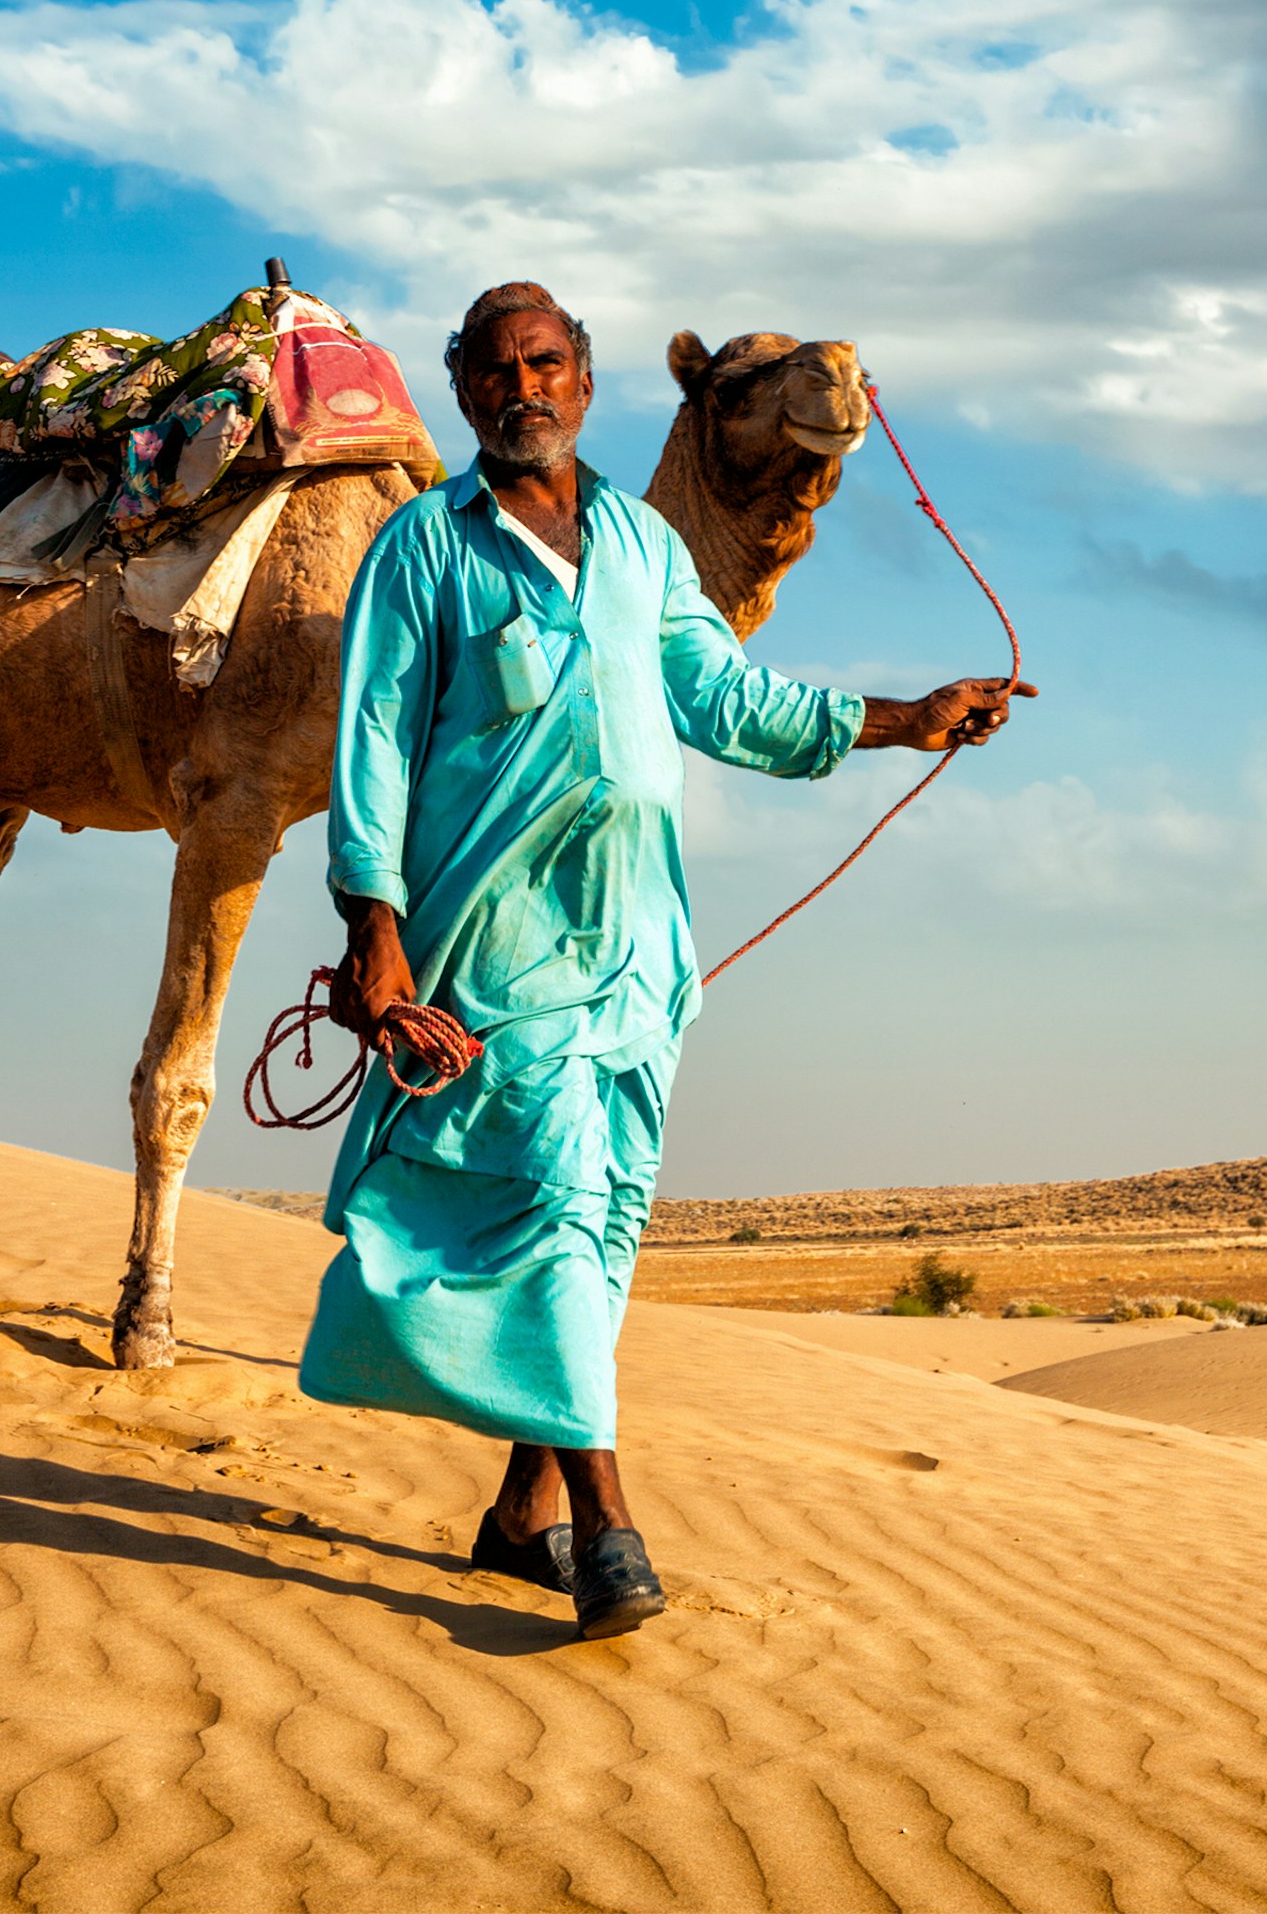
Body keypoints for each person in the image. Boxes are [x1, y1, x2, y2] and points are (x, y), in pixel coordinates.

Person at [300, 280, 1020, 1640]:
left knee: (604, 1221)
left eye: (549, 361)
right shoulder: (423, 552)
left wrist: (905, 718)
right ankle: (611, 1530)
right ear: (465, 390)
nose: (525, 386)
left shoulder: (639, 546)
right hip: (496, 947)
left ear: (585, 382)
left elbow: (726, 699)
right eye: (498, 367)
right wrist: (375, 939)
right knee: (561, 1199)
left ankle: (520, 1516)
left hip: (640, 949)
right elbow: (374, 749)